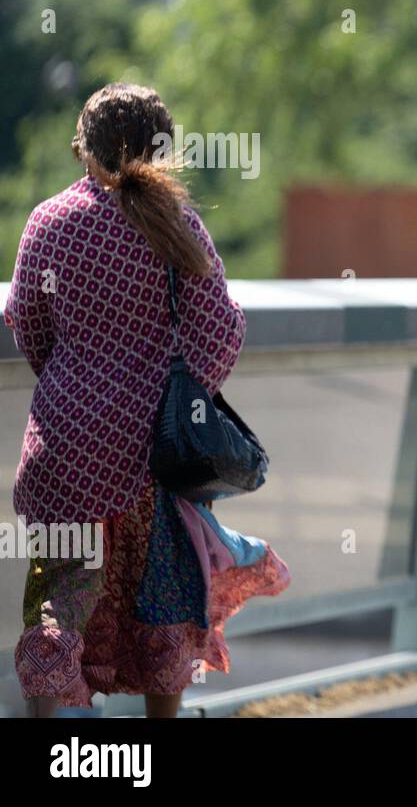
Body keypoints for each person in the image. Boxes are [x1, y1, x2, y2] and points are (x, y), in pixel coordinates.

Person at [4, 82, 291, 717]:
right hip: (151, 461)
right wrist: (176, 402)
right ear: (164, 152)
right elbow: (218, 329)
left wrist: (78, 383)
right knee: (163, 606)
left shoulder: (48, 222)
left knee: (59, 604)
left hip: (66, 448)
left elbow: (27, 321)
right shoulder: (175, 225)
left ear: (83, 150)